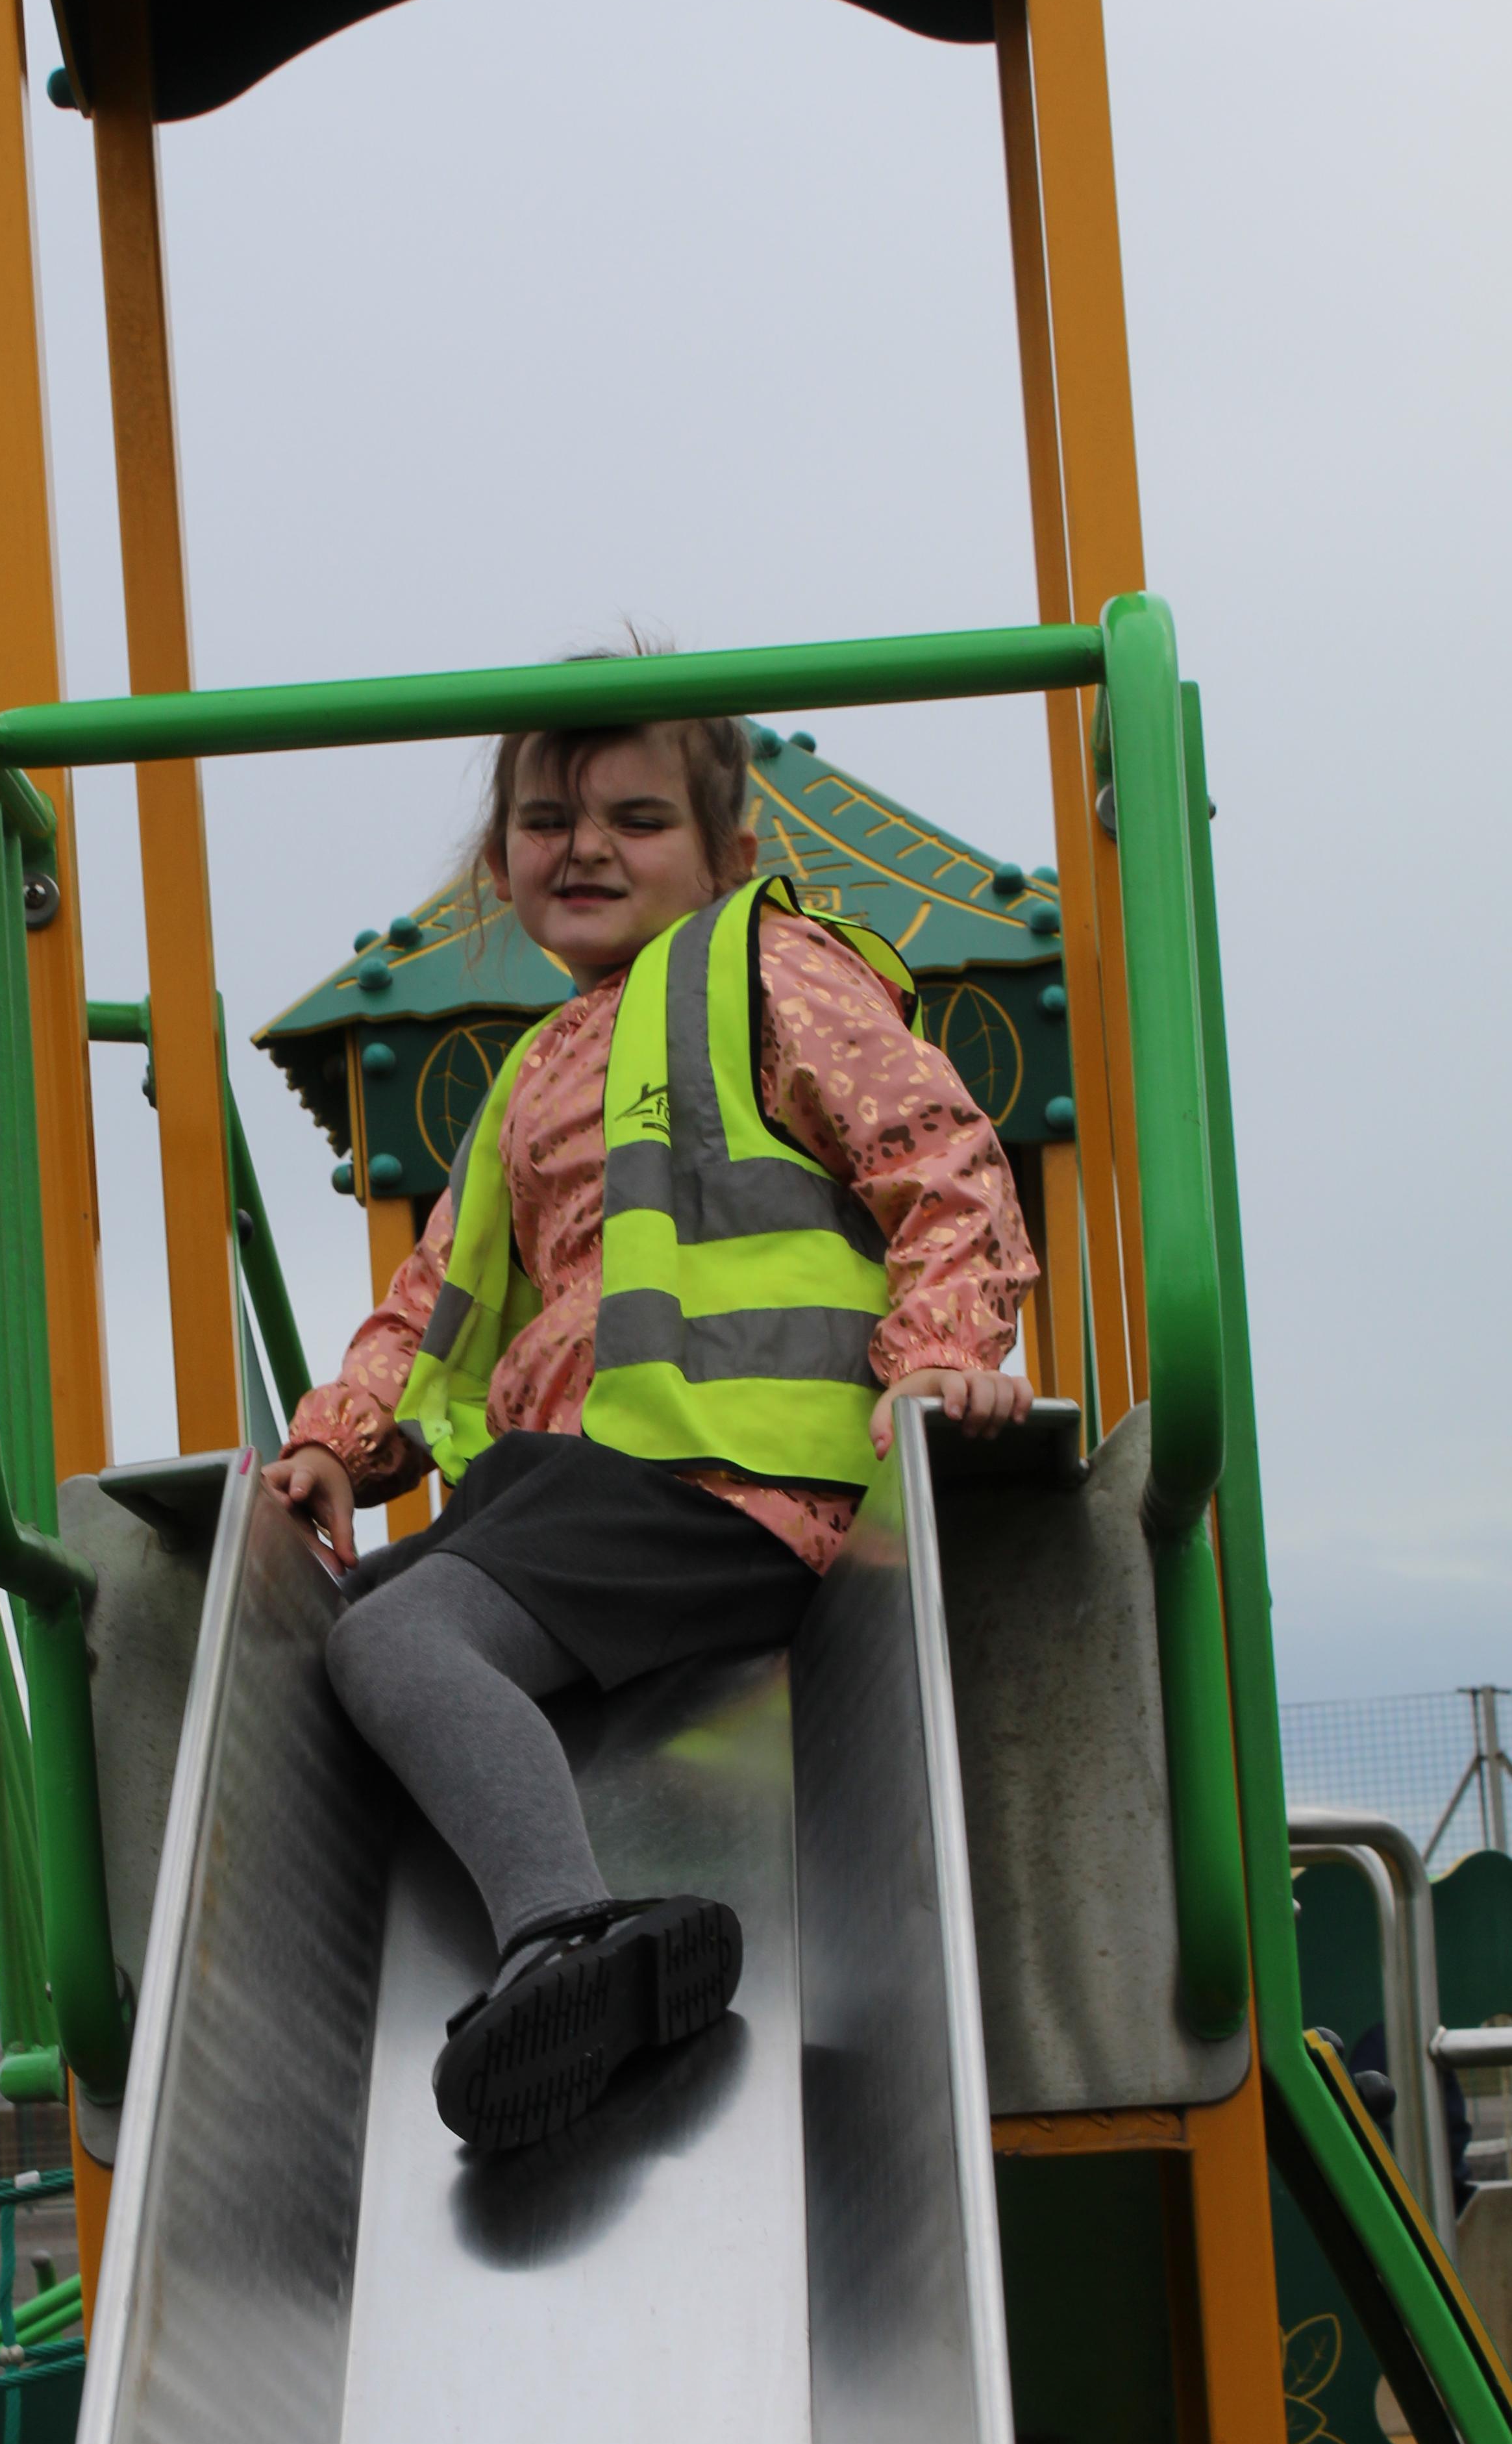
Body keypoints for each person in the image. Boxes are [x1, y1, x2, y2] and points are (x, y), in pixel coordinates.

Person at [267, 693, 1038, 2154]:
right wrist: (340, 1441)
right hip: (586, 1487)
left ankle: (569, 1936)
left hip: (732, 1475)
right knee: (322, 1648)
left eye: (638, 819)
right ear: (499, 863)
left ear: (729, 852)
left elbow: (938, 1160)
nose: (587, 848)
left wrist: (941, 1355)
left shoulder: (766, 969)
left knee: (393, 1642)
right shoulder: (529, 1074)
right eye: (546, 821)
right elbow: (435, 1307)